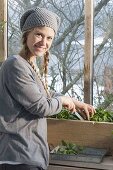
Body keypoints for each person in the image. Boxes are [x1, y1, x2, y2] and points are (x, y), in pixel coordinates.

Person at [0, 6, 95, 170]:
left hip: (29, 156)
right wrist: (62, 100)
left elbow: (43, 93)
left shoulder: (28, 64)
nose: (44, 42)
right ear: (27, 34)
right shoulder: (15, 65)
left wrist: (73, 101)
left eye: (49, 38)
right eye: (39, 34)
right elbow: (40, 106)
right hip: (18, 157)